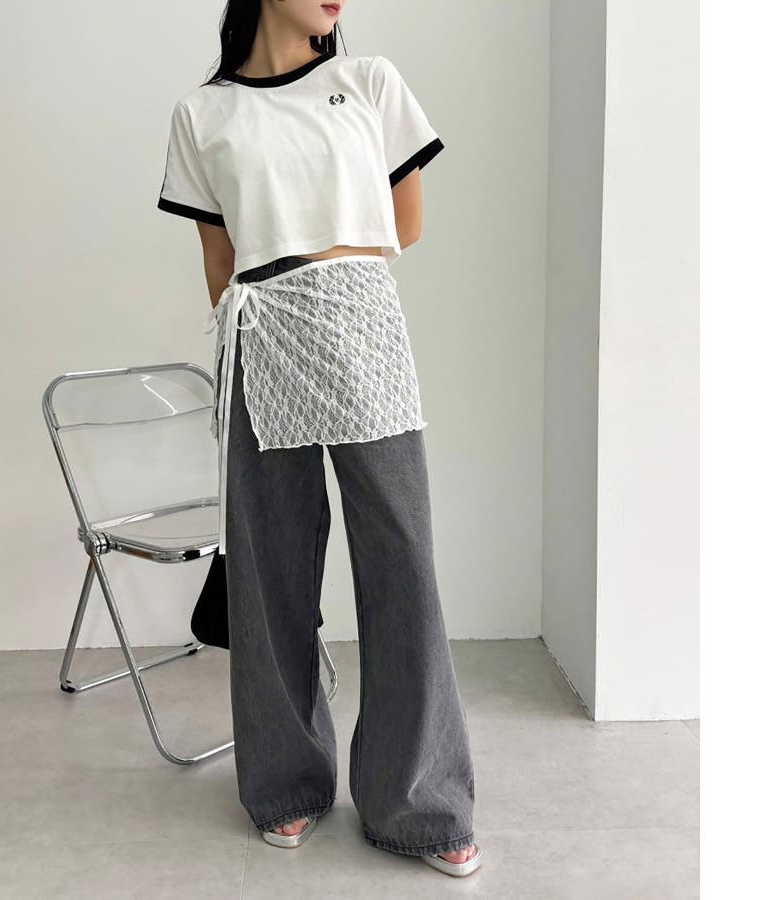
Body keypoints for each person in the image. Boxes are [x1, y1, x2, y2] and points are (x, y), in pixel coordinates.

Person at [157, 0, 481, 879]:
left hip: (361, 324)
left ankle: (421, 803)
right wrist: (257, 336)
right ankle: (285, 783)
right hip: (261, 337)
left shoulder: (367, 82)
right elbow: (219, 264)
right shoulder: (203, 113)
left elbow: (404, 225)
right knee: (271, 568)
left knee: (401, 561)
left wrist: (328, 277)